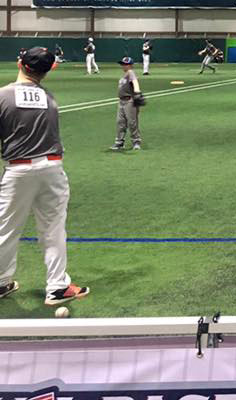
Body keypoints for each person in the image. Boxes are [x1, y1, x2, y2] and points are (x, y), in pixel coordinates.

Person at [0, 47, 89, 306]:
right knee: (53, 229)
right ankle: (57, 287)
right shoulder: (49, 98)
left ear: (20, 63)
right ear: (47, 71)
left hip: (17, 170)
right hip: (51, 168)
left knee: (6, 229)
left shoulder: (3, 95)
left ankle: (1, 281)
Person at [110, 57, 145, 152]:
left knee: (132, 122)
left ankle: (136, 142)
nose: (123, 66)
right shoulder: (125, 74)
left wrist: (137, 92)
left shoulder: (130, 72)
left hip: (129, 101)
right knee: (120, 122)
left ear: (130, 65)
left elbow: (135, 82)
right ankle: (119, 142)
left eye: (126, 64)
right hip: (121, 102)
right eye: (122, 64)